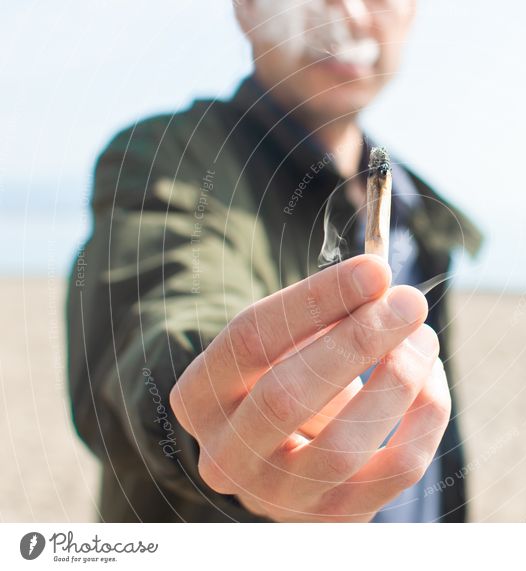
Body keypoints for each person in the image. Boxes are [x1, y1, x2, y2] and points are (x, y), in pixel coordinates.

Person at [66, 0, 483, 522]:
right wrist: (221, 414)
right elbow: (166, 301)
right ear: (247, 9)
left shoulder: (418, 213)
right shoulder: (172, 160)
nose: (350, 15)